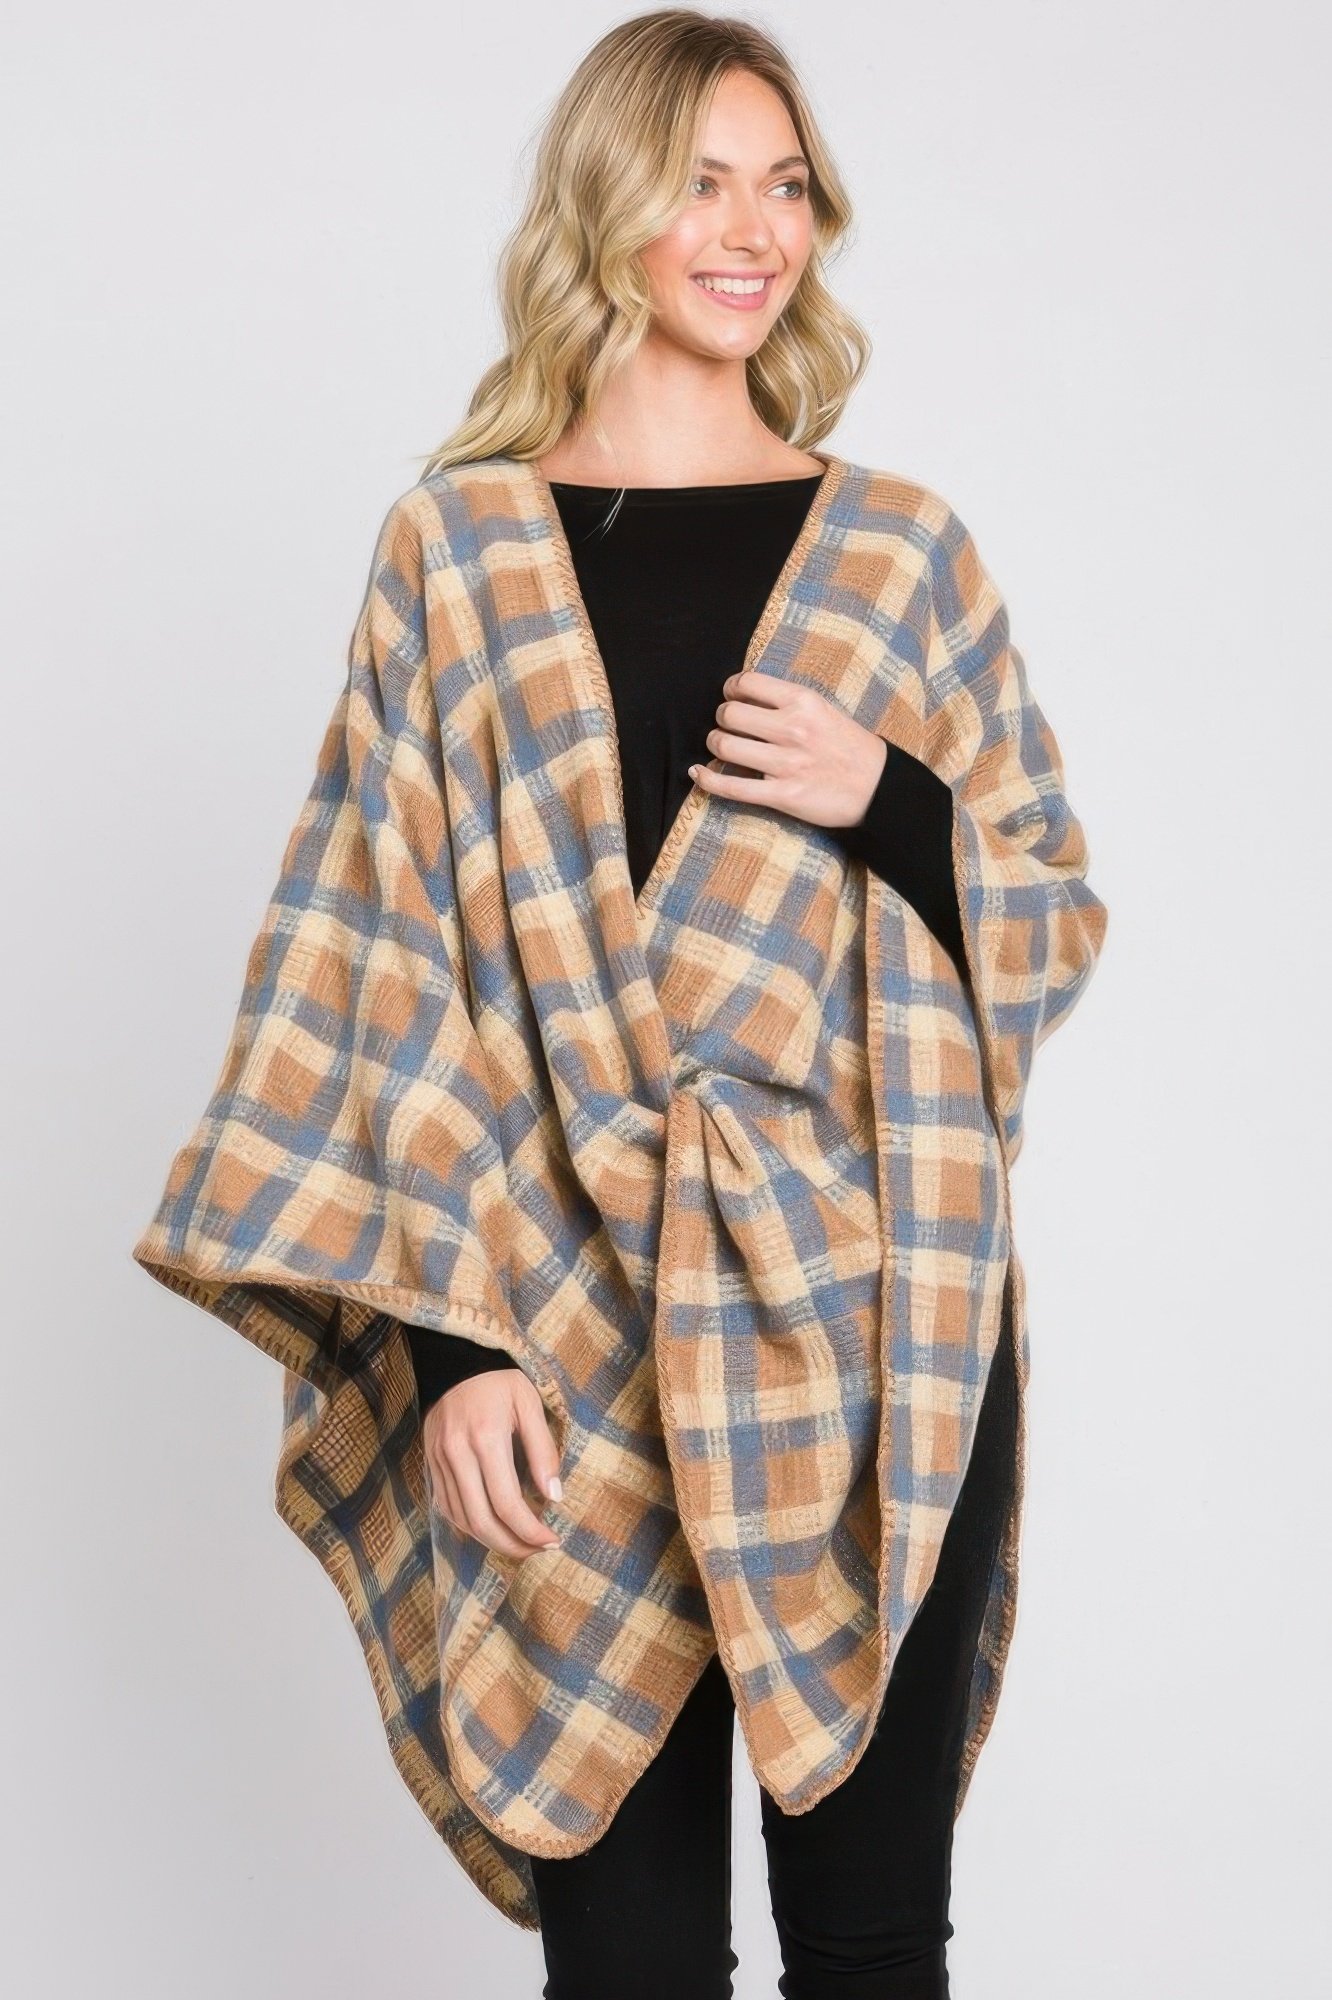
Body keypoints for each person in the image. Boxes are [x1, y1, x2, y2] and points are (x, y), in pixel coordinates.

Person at [131, 11, 1107, 1998]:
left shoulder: (904, 553)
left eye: (786, 185)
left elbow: (1051, 915)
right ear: (607, 207)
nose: (754, 231)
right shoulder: (455, 551)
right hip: (562, 1312)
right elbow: (379, 950)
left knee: (870, 1951)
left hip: (878, 1312)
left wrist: (887, 793)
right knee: (631, 1967)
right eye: (702, 183)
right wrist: (445, 1344)